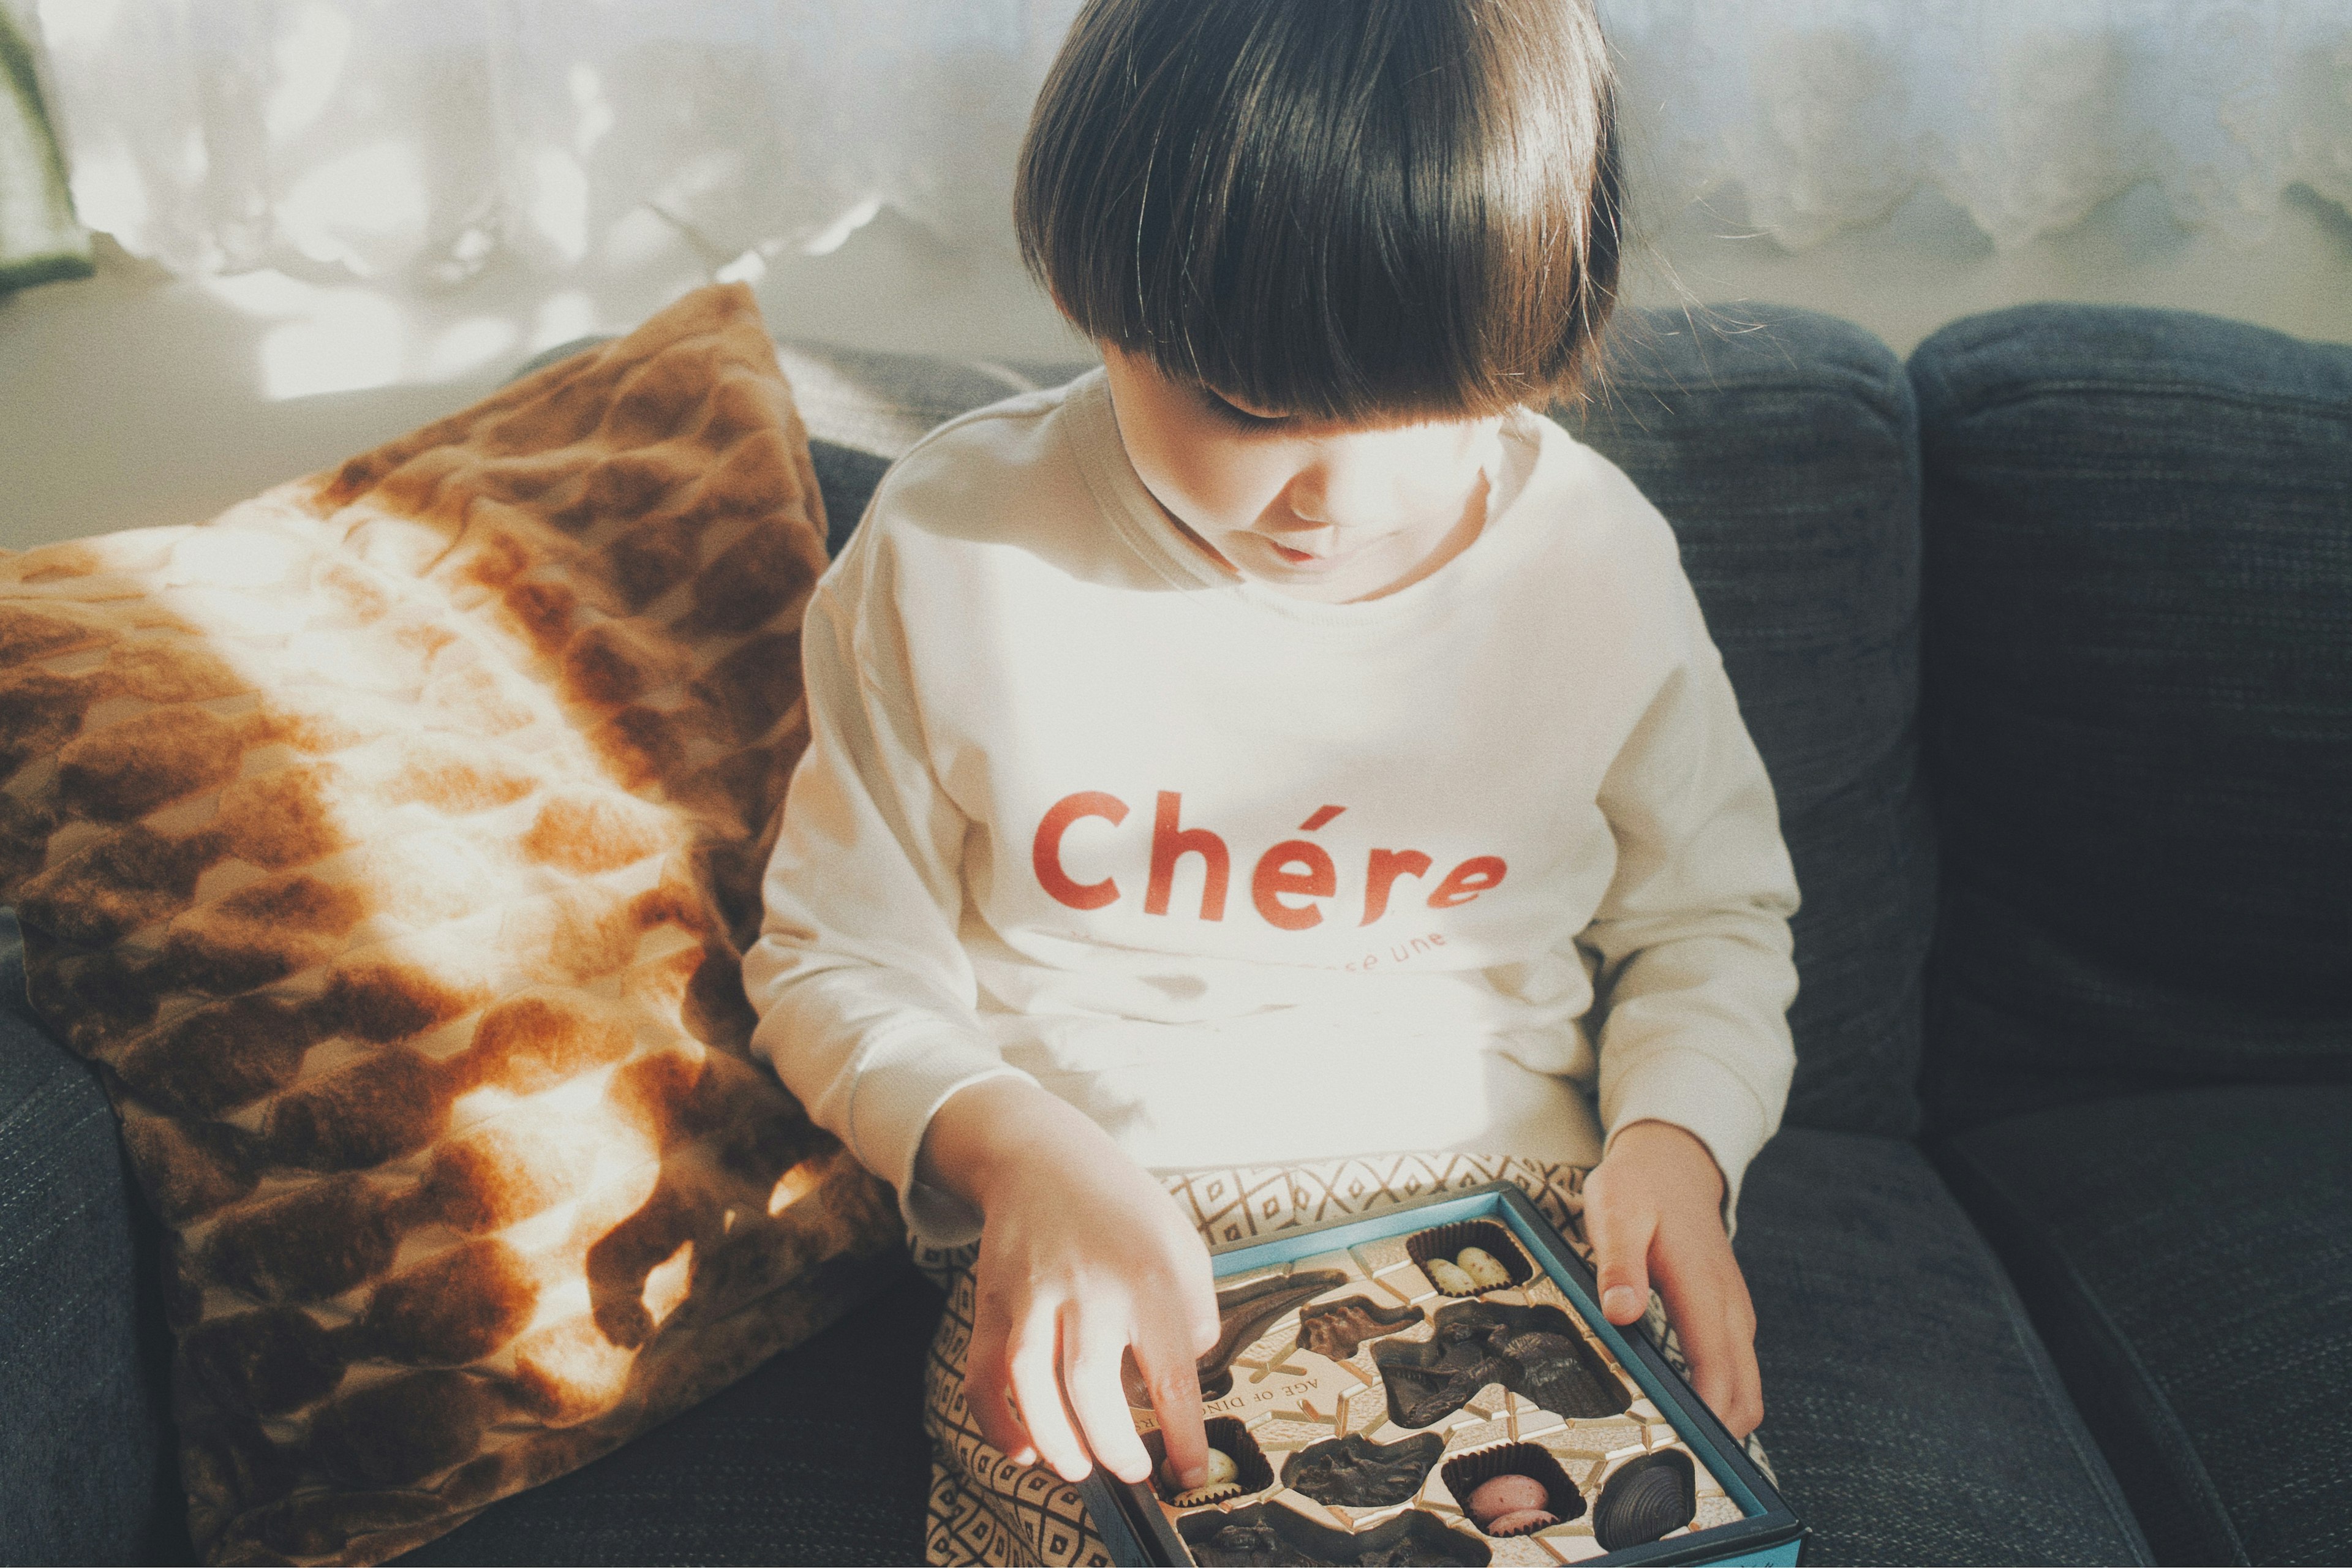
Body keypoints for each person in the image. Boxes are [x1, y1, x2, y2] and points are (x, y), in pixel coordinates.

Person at [741, 0, 1798, 1557]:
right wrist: (1011, 1147)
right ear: (1094, 298)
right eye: (1247, 410)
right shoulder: (953, 540)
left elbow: (1712, 923)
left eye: (1436, 405)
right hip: (1101, 1200)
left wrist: (1679, 1141)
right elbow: (834, 954)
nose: (1339, 498)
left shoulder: (1599, 559)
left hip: (1509, 1217)